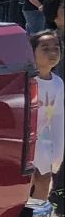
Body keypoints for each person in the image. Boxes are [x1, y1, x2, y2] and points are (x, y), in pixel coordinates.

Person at [30, 29, 62, 204]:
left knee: (43, 183)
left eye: (56, 48)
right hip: (23, 146)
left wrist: (57, 154)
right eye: (45, 48)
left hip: (42, 144)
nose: (52, 53)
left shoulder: (57, 83)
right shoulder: (25, 80)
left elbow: (57, 119)